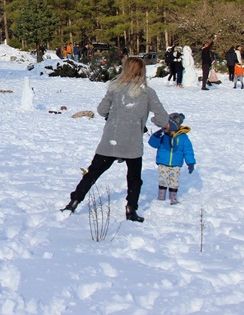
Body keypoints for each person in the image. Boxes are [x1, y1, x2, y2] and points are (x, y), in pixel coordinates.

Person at [61, 57, 170, 223]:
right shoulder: (147, 92)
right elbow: (162, 118)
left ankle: (73, 202)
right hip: (132, 141)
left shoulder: (114, 89)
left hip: (111, 139)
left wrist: (112, 117)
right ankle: (131, 209)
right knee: (134, 178)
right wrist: (147, 123)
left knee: (92, 174)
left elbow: (101, 110)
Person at [148, 112, 195, 205]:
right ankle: (161, 196)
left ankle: (173, 197)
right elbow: (153, 144)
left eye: (167, 124)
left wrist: (190, 162)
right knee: (163, 180)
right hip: (163, 162)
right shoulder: (162, 135)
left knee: (174, 181)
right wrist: (156, 136)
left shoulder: (183, 137)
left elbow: (188, 150)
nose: (164, 126)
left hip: (176, 164)